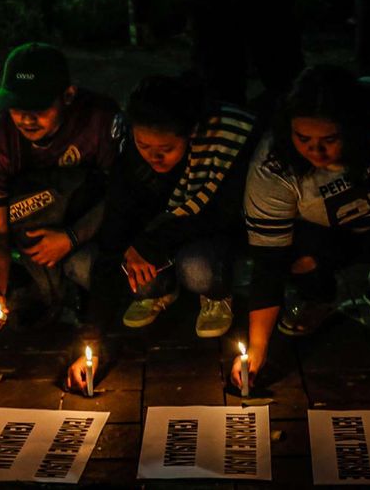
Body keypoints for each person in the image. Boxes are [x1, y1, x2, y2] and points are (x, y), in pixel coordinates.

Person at [233, 65, 370, 390]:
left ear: (355, 127)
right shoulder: (272, 169)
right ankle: (316, 296)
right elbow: (267, 264)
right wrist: (258, 349)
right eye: (303, 139)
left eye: (329, 140)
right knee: (292, 259)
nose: (316, 151)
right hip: (325, 239)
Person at [66, 75, 258, 393]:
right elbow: (115, 230)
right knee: (106, 271)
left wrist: (150, 244)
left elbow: (221, 216)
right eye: (145, 146)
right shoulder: (129, 158)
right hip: (159, 237)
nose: (154, 157)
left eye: (166, 149)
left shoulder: (224, 144)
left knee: (198, 270)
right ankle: (161, 291)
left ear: (191, 133)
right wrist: (91, 342)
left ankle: (215, 295)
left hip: (213, 236)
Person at [0, 42, 122, 332]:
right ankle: (10, 293)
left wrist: (72, 237)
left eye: (38, 107)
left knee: (116, 279)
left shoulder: (99, 119)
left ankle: (74, 296)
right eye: (17, 108)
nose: (26, 119)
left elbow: (124, 195)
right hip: (21, 217)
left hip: (81, 222)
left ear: (68, 95)